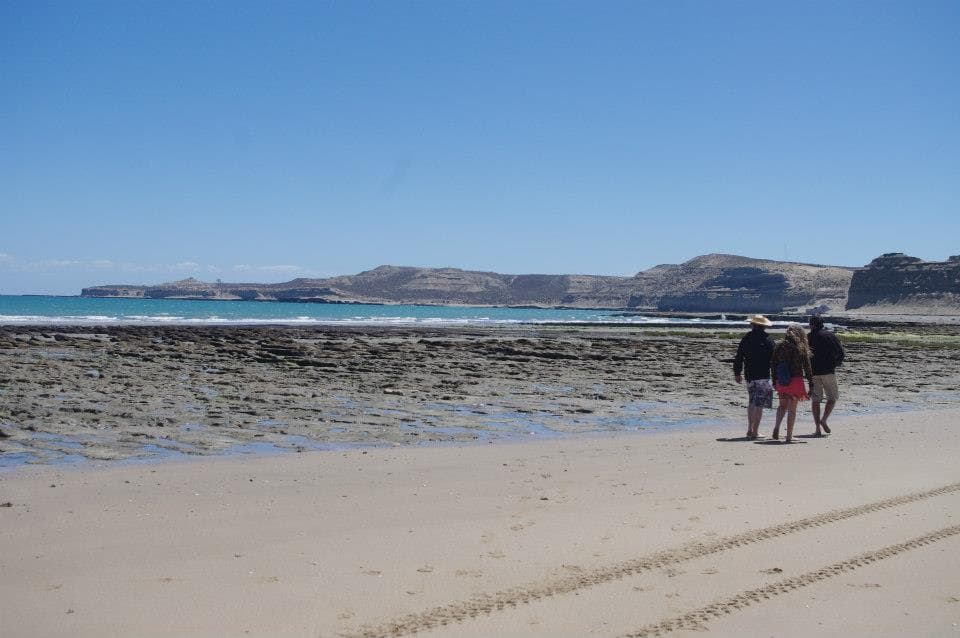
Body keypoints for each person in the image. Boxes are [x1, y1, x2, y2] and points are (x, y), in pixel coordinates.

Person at [733, 314, 775, 439]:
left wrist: (737, 372)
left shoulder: (747, 338)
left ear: (753, 325)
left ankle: (750, 429)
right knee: (759, 403)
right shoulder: (768, 339)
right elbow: (774, 359)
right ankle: (755, 431)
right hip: (763, 375)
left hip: (749, 374)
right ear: (763, 326)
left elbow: (739, 356)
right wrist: (776, 375)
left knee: (752, 401)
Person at [770, 324, 814, 443]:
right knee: (792, 410)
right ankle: (789, 436)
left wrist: (774, 380)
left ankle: (777, 427)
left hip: (782, 380)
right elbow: (807, 367)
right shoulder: (800, 347)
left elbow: (773, 365)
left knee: (782, 406)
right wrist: (811, 383)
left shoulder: (779, 346)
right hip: (795, 381)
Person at [807, 315, 845, 436]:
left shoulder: (807, 337)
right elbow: (840, 352)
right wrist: (835, 364)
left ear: (811, 325)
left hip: (813, 372)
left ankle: (817, 428)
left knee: (816, 400)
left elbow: (803, 355)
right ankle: (824, 419)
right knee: (832, 398)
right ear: (822, 324)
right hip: (828, 371)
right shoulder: (830, 336)